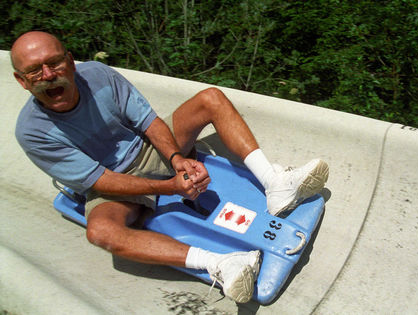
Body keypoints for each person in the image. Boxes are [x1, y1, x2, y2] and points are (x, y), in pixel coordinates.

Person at [11, 31, 329, 303]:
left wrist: (177, 160)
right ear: (22, 81)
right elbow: (102, 179)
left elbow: (147, 121)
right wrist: (170, 187)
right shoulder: (32, 132)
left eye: (54, 63)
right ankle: (223, 263)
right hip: (113, 184)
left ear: (70, 59)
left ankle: (274, 183)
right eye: (35, 71)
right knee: (101, 232)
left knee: (210, 98)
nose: (49, 75)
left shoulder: (97, 74)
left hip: (150, 149)